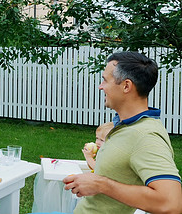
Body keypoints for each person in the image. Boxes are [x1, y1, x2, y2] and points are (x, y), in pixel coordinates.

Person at [63, 51, 182, 214]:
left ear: (126, 86)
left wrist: (101, 185)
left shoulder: (145, 135)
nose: (100, 86)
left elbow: (172, 203)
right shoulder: (125, 126)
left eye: (105, 80)